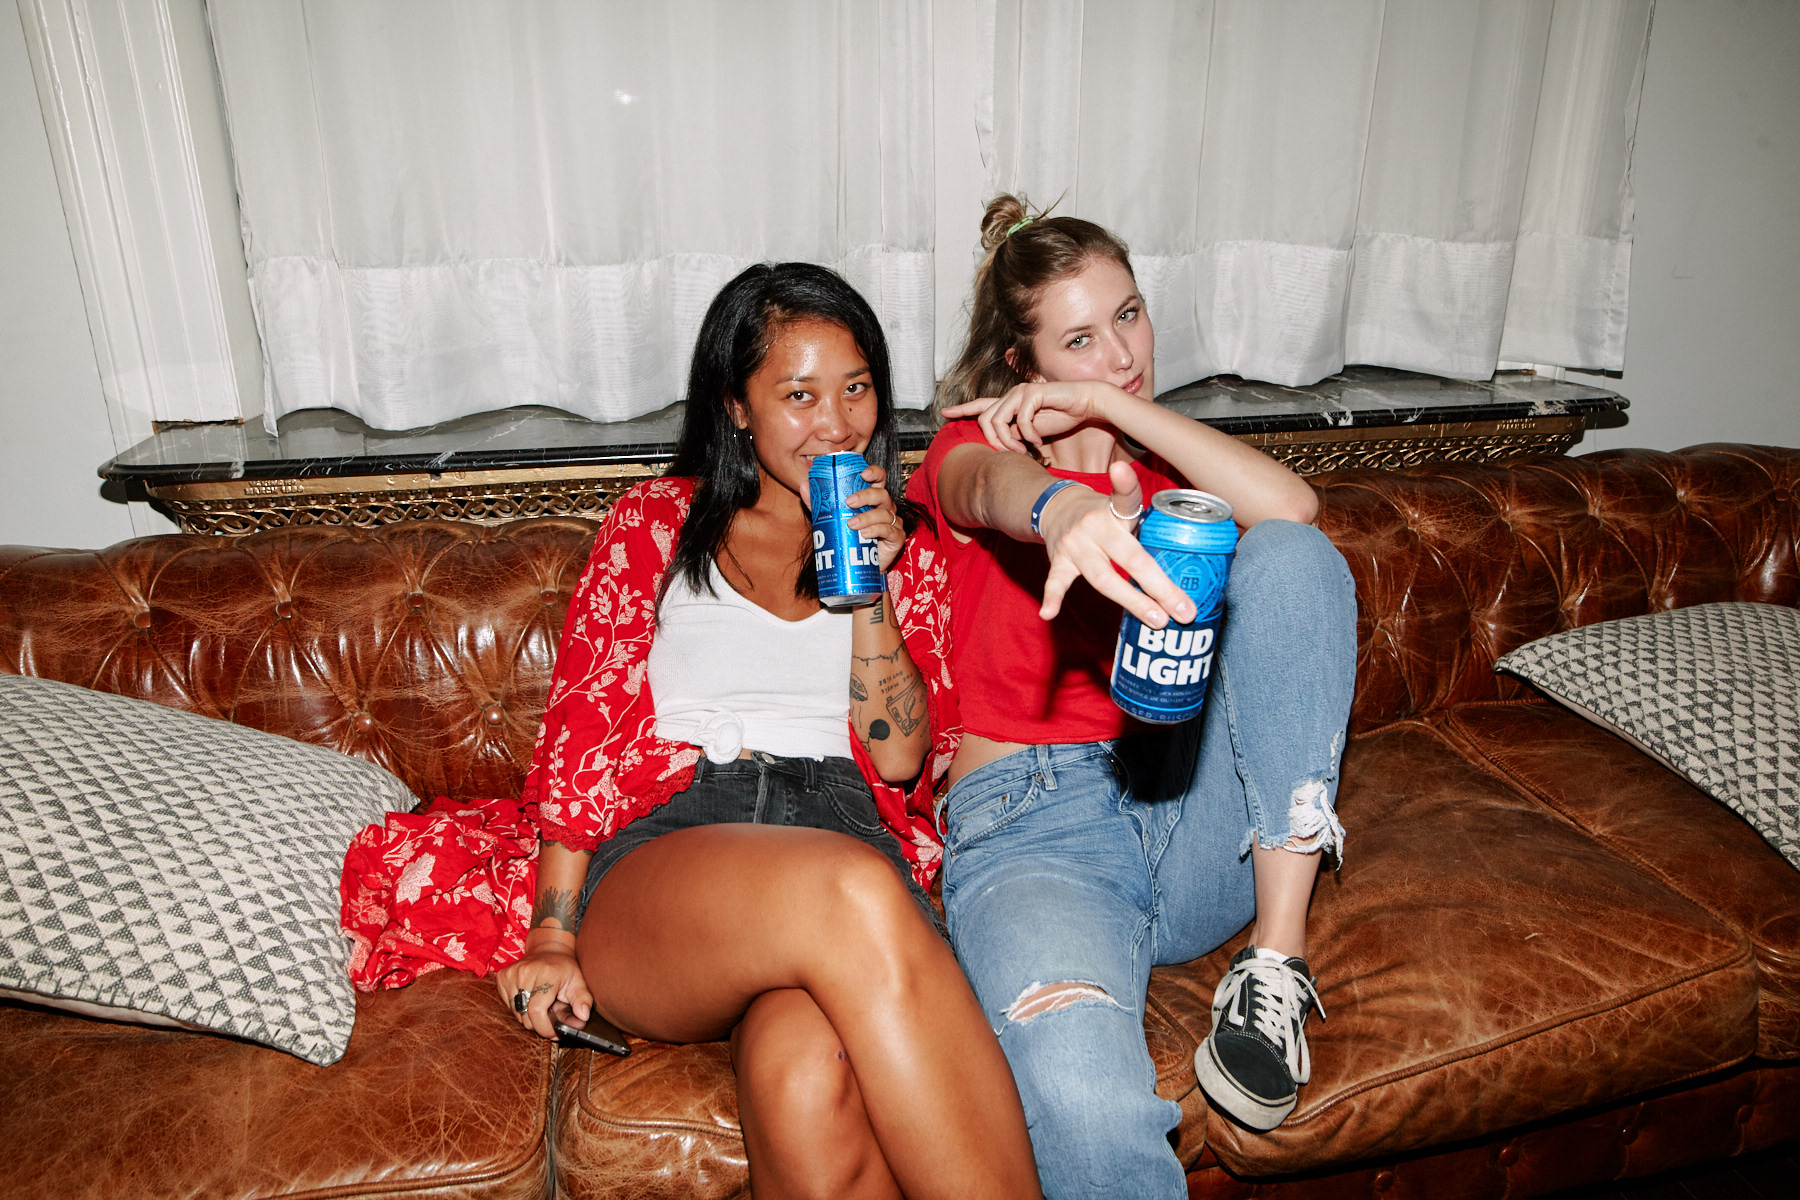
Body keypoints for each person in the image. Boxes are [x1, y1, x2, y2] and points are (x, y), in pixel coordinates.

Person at [496, 262, 1041, 1200]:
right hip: (671, 858)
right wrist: (551, 932)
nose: (838, 424)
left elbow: (901, 757)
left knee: (803, 1073)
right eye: (799, 395)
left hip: (843, 829)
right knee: (853, 892)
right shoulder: (656, 524)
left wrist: (873, 585)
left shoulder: (907, 547)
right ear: (736, 407)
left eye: (857, 388)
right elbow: (582, 738)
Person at [910, 196, 1357, 1198]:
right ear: (1021, 367)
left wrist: (1114, 410)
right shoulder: (967, 450)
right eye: (1079, 339)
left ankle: (1275, 964)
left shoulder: (1175, 488)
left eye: (1129, 315)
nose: (1120, 354)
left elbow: (1294, 509)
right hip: (1033, 831)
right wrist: (1062, 506)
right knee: (1087, 1107)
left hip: (1192, 817)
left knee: (1292, 556)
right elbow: (981, 488)